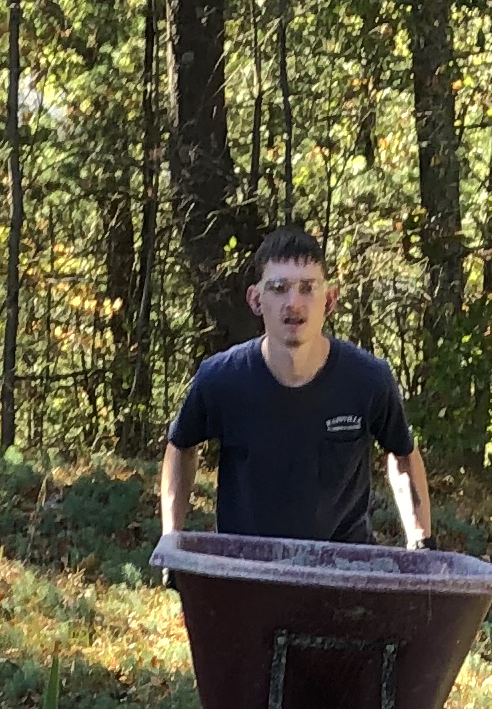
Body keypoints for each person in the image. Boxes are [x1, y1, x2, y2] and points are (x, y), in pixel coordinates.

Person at [160, 228, 433, 549]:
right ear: (255, 300)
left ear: (329, 300)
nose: (294, 303)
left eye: (308, 288)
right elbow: (181, 446)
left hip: (344, 563)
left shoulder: (368, 379)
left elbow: (402, 454)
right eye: (279, 288)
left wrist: (421, 540)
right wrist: (171, 539)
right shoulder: (221, 378)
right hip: (245, 565)